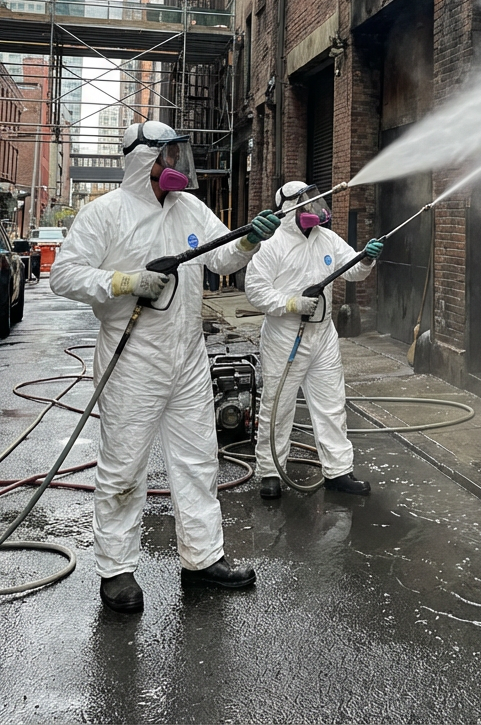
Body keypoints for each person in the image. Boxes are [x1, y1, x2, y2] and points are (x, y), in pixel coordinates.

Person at [49, 120, 281, 614]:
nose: (176, 166)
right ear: (143, 161)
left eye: (178, 156)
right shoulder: (104, 215)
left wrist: (250, 242)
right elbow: (63, 275)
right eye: (168, 157)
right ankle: (116, 569)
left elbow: (221, 260)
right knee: (125, 465)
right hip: (133, 360)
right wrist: (124, 282)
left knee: (199, 461)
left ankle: (202, 558)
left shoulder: (189, 207)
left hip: (189, 357)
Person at [244, 181, 383, 500]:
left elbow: (353, 272)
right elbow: (255, 290)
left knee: (332, 404)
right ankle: (270, 471)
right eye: (306, 201)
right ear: (288, 208)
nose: (313, 205)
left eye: (314, 199)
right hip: (284, 338)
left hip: (323, 335)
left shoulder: (327, 239)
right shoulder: (273, 244)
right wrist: (291, 303)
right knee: (277, 407)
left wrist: (366, 259)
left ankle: (338, 471)